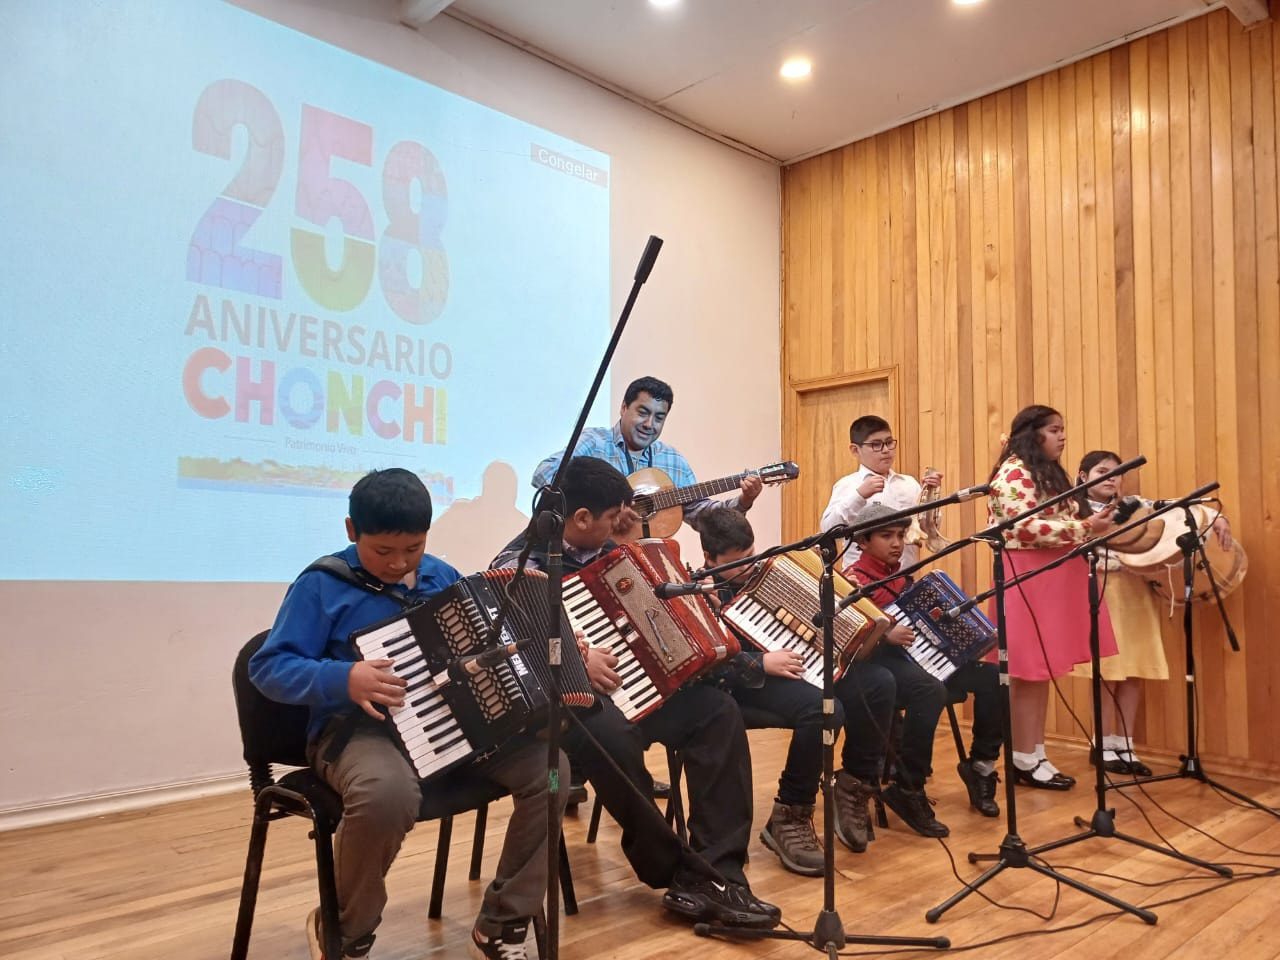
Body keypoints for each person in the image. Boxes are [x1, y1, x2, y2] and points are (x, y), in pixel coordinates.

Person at [249, 468, 566, 960]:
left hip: (452, 722)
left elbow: (484, 640)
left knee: (550, 772)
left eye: (413, 548)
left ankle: (503, 921)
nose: (399, 563)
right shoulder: (321, 585)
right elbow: (269, 667)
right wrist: (343, 678)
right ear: (352, 531)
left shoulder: (442, 575)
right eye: (383, 551)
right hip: (360, 731)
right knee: (386, 796)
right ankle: (346, 928)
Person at [492, 456, 780, 929]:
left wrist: (691, 600)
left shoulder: (614, 544)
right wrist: (575, 658)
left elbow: (651, 612)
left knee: (717, 711)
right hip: (569, 705)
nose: (618, 527)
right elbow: (513, 646)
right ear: (580, 518)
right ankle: (678, 873)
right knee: (614, 737)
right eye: (610, 519)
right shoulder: (520, 562)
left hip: (636, 687)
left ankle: (722, 872)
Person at [697, 508, 842, 876]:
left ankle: (790, 813)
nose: (749, 566)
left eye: (751, 555)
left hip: (771, 675)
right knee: (820, 709)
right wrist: (760, 663)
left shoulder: (765, 575)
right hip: (726, 691)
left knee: (830, 707)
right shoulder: (696, 589)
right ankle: (789, 815)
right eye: (737, 561)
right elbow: (703, 664)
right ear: (710, 559)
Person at [1073, 450, 1234, 776]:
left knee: (1134, 671)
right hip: (1100, 593)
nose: (1112, 478)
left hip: (1137, 593)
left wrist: (1218, 519)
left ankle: (1125, 744)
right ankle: (1100, 744)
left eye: (1116, 473)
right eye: (1103, 471)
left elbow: (1180, 505)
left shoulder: (1134, 505)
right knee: (1107, 673)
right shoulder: (1073, 510)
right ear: (1082, 476)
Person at [841, 504, 1005, 819]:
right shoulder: (851, 580)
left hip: (924, 659)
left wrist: (967, 637)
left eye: (901, 535)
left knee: (994, 678)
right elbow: (846, 636)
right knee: (929, 691)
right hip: (879, 666)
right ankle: (908, 787)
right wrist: (883, 630)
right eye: (886, 536)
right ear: (862, 542)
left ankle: (982, 766)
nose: (897, 543)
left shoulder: (903, 578)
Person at [986, 405, 1118, 789]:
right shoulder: (1014, 471)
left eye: (1064, 429)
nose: (1062, 437)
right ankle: (1022, 758)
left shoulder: (1040, 470)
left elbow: (1060, 517)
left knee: (1040, 673)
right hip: (1028, 577)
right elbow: (1024, 527)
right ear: (1032, 434)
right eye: (1054, 430)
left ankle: (1034, 752)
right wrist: (1085, 527)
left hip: (1049, 578)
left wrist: (1091, 523)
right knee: (1029, 673)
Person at [531, 376, 762, 531]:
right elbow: (544, 475)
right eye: (643, 412)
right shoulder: (594, 442)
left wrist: (743, 500)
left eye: (659, 418)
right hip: (589, 554)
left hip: (642, 562)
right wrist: (607, 511)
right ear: (623, 408)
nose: (649, 424)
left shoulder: (672, 460)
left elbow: (701, 515)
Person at [820, 414, 942, 567]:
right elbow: (828, 530)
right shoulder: (848, 485)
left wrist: (930, 496)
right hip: (860, 582)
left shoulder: (909, 484)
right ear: (855, 450)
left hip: (905, 578)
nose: (885, 450)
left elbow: (928, 530)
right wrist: (859, 496)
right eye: (876, 444)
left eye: (889, 443)